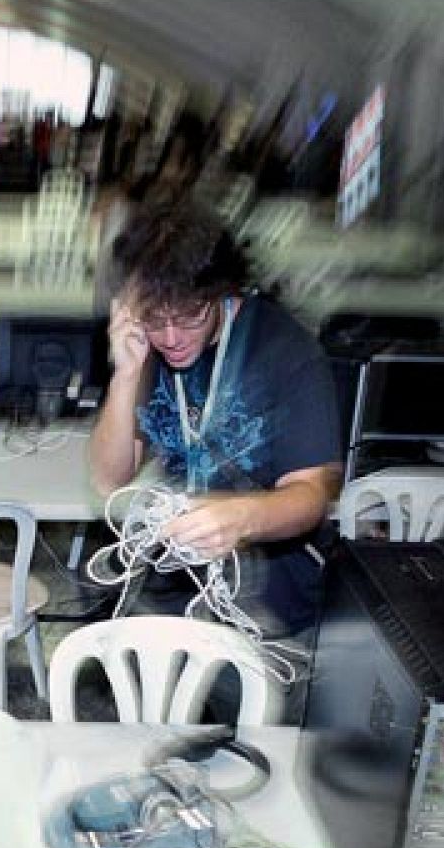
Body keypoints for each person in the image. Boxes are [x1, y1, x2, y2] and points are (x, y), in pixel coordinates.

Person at [88, 198, 341, 641]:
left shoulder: (287, 351)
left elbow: (310, 496)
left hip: (268, 604)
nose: (170, 338)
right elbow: (111, 478)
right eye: (152, 317)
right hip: (177, 590)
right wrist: (125, 374)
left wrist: (243, 517)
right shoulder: (147, 347)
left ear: (224, 291)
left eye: (188, 316)